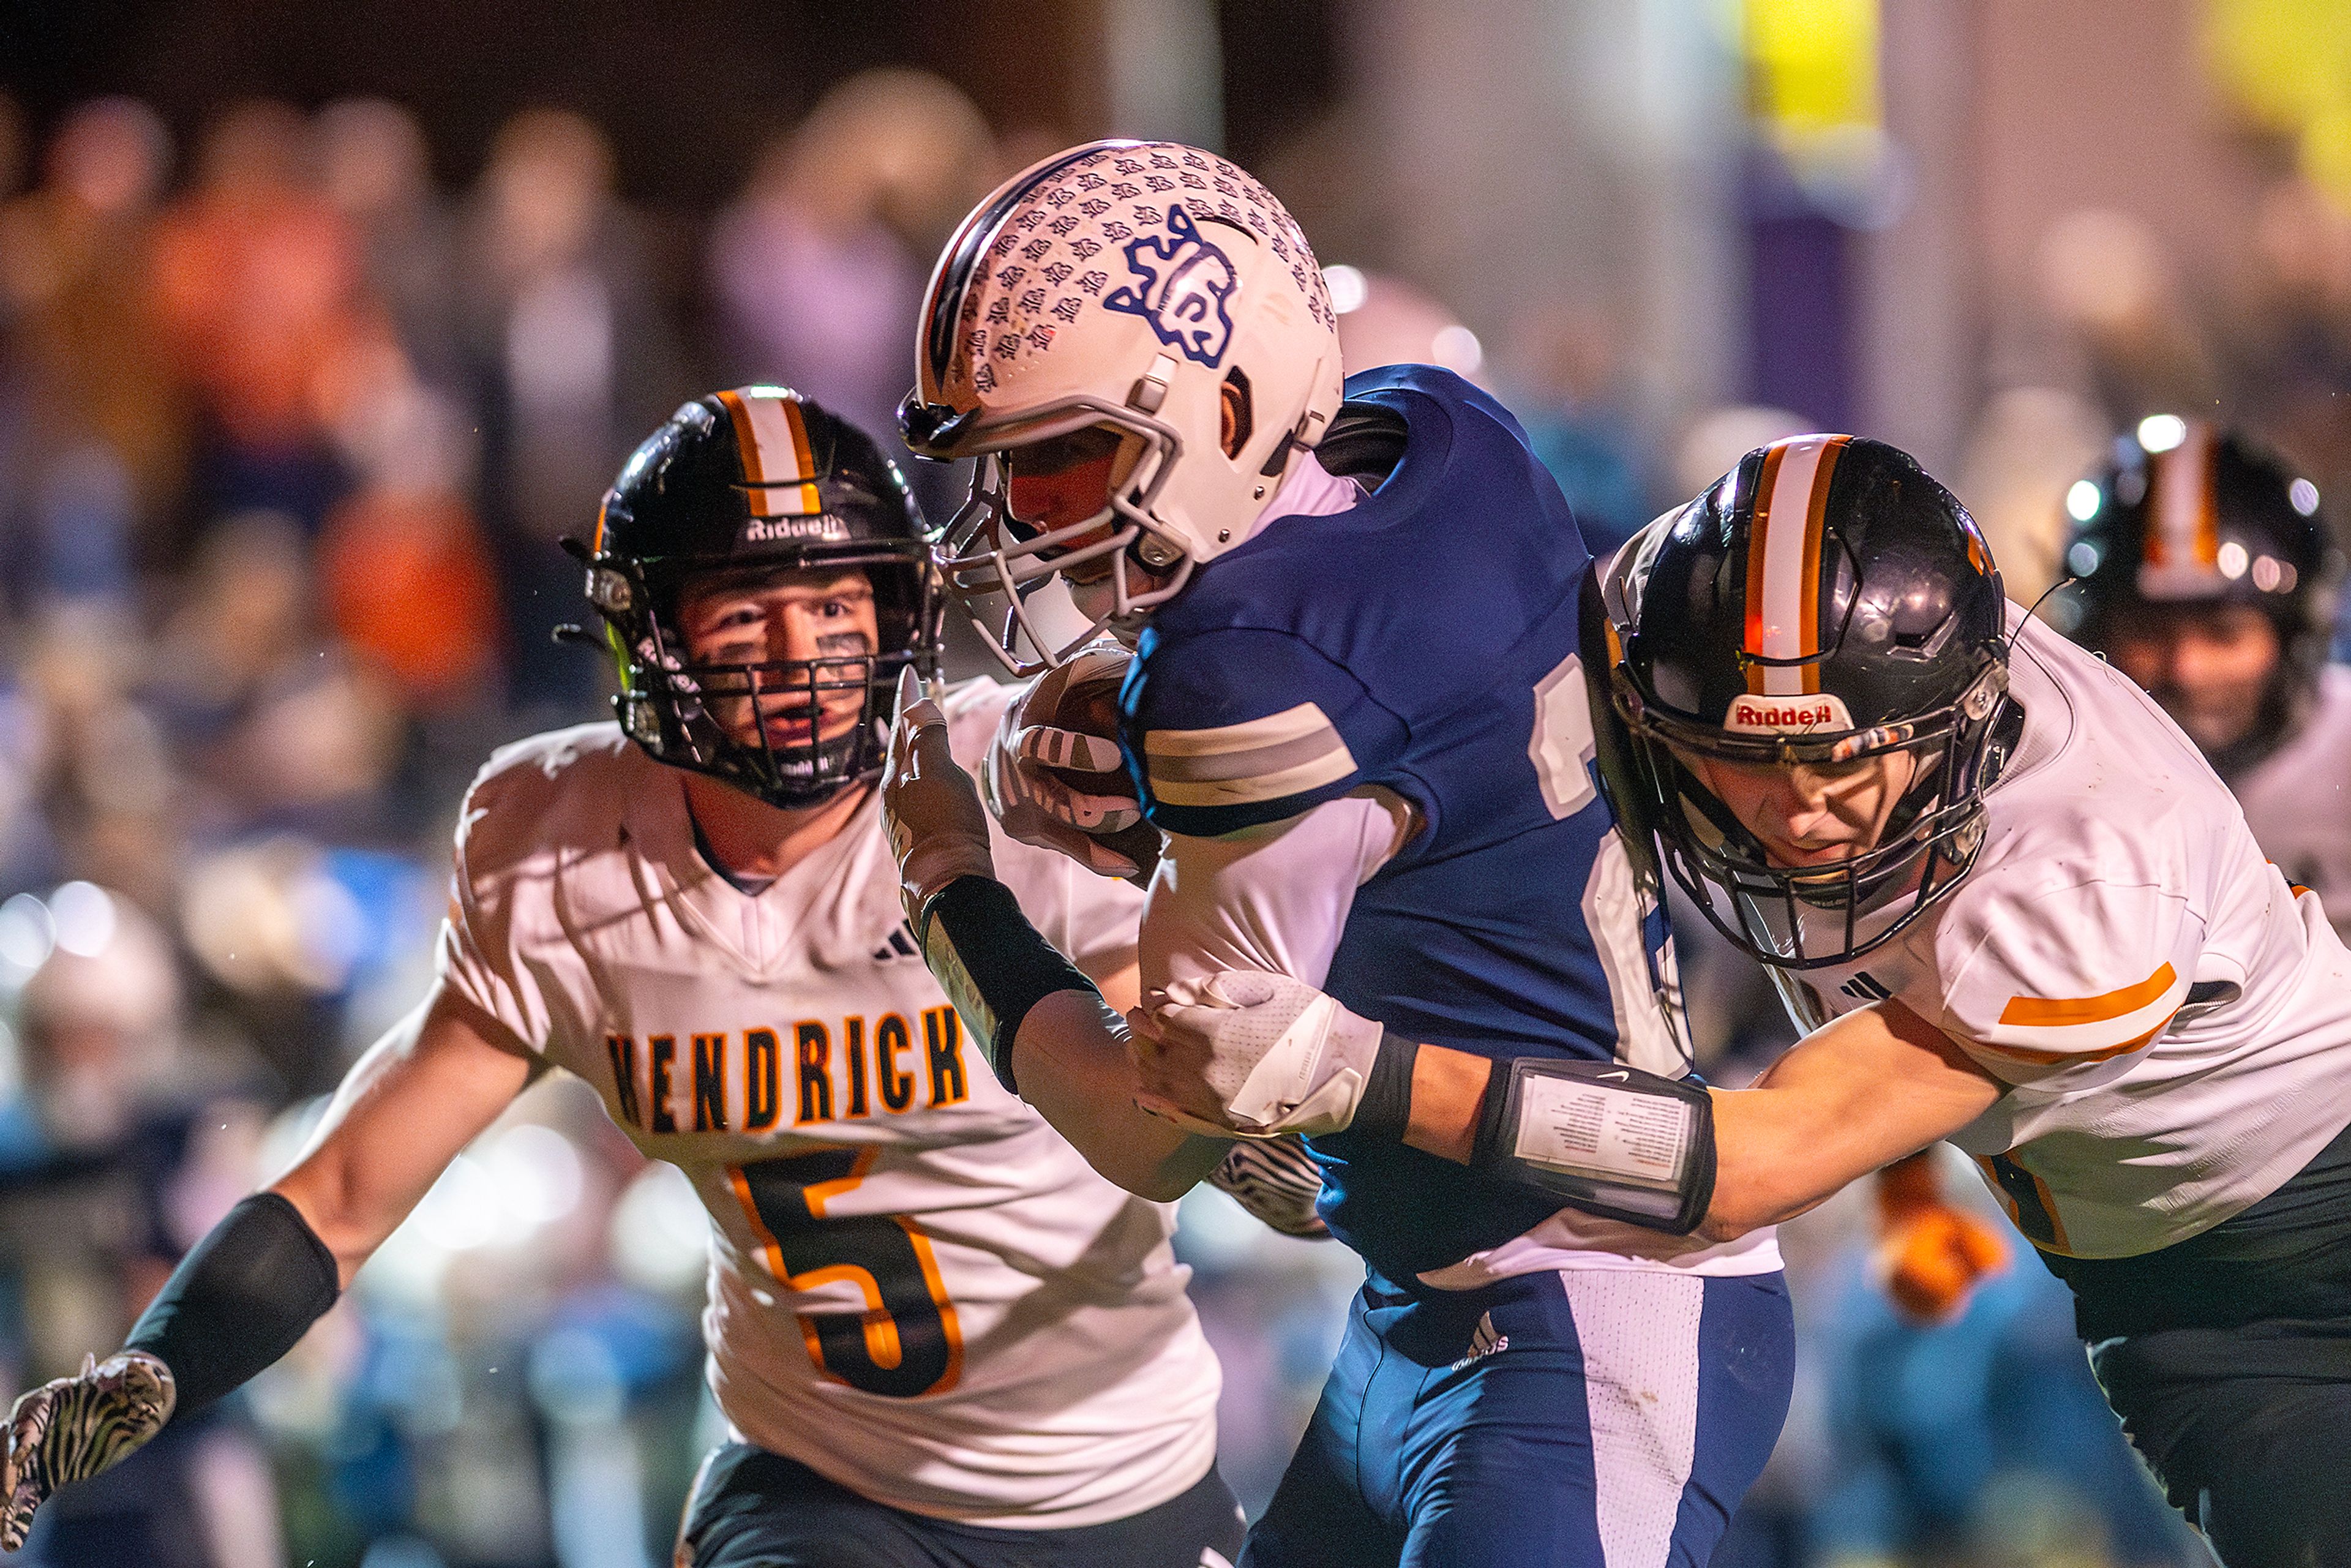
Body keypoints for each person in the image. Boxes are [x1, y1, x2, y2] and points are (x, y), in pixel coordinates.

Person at [0, 388, 1277, 1568]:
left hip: (1118, 1476)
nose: (800, 647)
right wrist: (154, 1369)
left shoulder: (1036, 783)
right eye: (744, 607)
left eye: (837, 601)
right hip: (819, 1483)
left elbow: (1201, 1041)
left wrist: (1269, 1125)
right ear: (651, 632)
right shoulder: (563, 841)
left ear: (903, 609)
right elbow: (343, 1190)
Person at [1135, 435, 2351, 1568]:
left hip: (2305, 1229)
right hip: (2160, 1290)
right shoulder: (1668, 622)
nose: (1799, 809)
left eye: (1843, 756)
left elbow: (1752, 1163)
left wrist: (1357, 1074)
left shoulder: (2091, 863)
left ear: (1962, 712)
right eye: (1747, 754)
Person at [883, 138, 1794, 1568]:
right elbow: (1412, 781)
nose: (1027, 513)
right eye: (1009, 464)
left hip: (1579, 1308)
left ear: (1228, 401)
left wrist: (947, 886)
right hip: (1426, 1309)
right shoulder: (1437, 431)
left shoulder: (1245, 671)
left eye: (1066, 455)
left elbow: (1149, 1123)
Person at [2058, 418, 2351, 940]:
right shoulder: (2050, 774)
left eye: (2224, 633)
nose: (2186, 670)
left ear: (2293, 638)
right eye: (2150, 632)